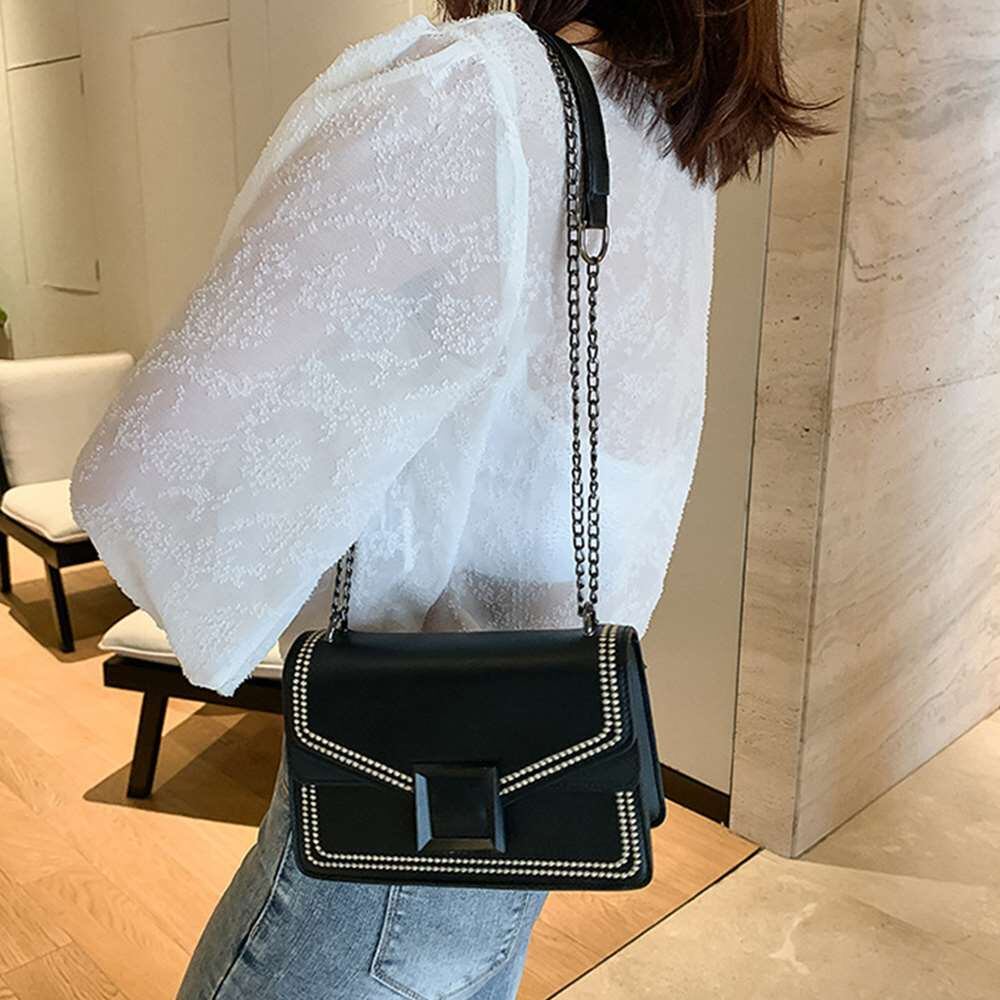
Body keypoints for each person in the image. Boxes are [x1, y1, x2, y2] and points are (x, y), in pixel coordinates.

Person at [70, 2, 827, 997]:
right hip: (544, 765)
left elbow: (139, 471)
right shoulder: (658, 131)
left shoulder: (474, 95)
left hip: (401, 786)